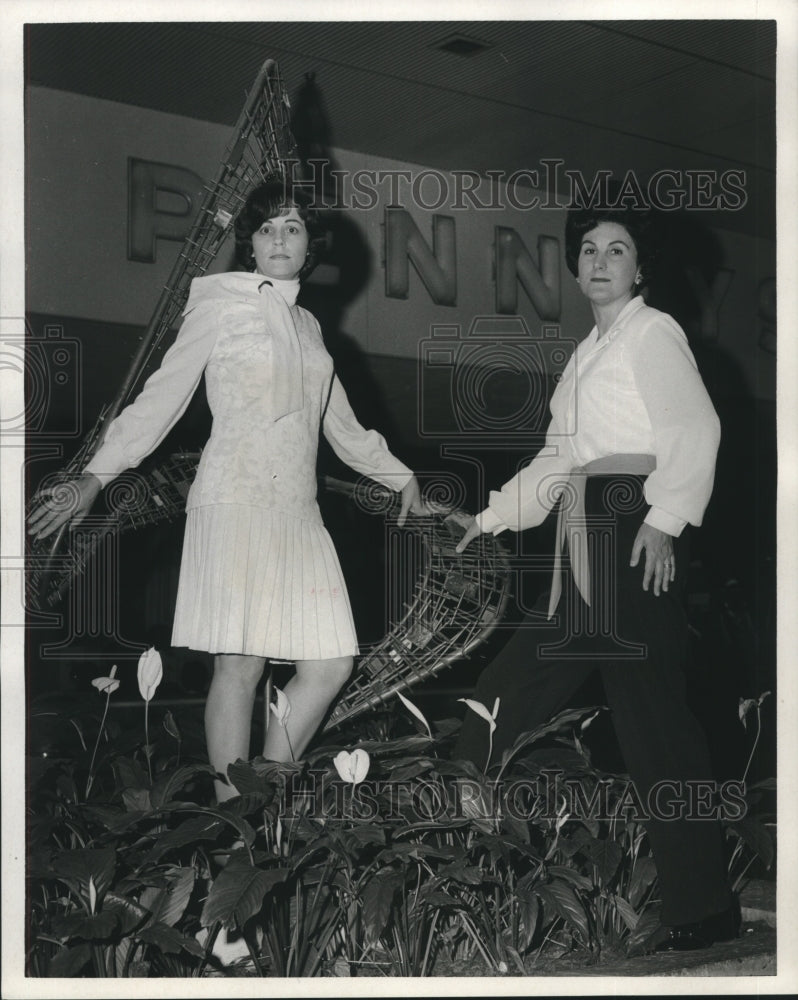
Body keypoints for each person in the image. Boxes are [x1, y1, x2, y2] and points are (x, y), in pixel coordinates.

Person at [29, 175, 426, 802]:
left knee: (330, 665)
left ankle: (265, 798)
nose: (278, 239)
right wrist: (95, 477)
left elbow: (341, 426)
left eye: (291, 227)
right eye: (266, 228)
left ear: (308, 245)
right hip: (234, 499)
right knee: (240, 666)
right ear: (250, 242)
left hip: (298, 512)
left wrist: (402, 477)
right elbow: (161, 398)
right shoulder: (217, 305)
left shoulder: (311, 329)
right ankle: (236, 825)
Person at [452, 205, 738, 952]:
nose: (602, 261)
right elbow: (556, 462)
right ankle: (453, 873)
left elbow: (695, 429)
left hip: (632, 531)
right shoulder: (585, 354)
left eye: (619, 250)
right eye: (590, 250)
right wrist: (484, 521)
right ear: (577, 269)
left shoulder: (652, 332)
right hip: (583, 538)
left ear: (640, 269)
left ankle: (703, 909)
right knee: (499, 703)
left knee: (656, 725)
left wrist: (665, 520)